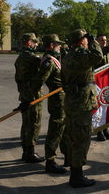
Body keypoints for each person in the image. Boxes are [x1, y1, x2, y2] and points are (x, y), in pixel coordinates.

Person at [61, 29, 103, 188]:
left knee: (73, 136)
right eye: (86, 39)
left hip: (72, 101)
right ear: (81, 41)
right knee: (81, 139)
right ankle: (76, 176)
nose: (87, 41)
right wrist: (94, 41)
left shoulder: (67, 56)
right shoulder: (80, 55)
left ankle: (74, 171)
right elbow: (97, 56)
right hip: (82, 103)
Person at [30, 34, 67, 173]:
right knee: (55, 130)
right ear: (51, 45)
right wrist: (29, 99)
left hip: (62, 98)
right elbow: (39, 81)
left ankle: (65, 155)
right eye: (58, 44)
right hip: (57, 99)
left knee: (62, 129)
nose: (60, 47)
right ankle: (50, 161)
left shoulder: (54, 59)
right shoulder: (49, 62)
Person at [14, 33, 45, 163]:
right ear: (28, 43)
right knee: (34, 122)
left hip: (24, 93)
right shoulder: (31, 57)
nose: (36, 44)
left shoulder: (21, 57)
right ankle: (30, 153)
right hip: (33, 94)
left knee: (26, 123)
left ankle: (25, 151)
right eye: (34, 42)